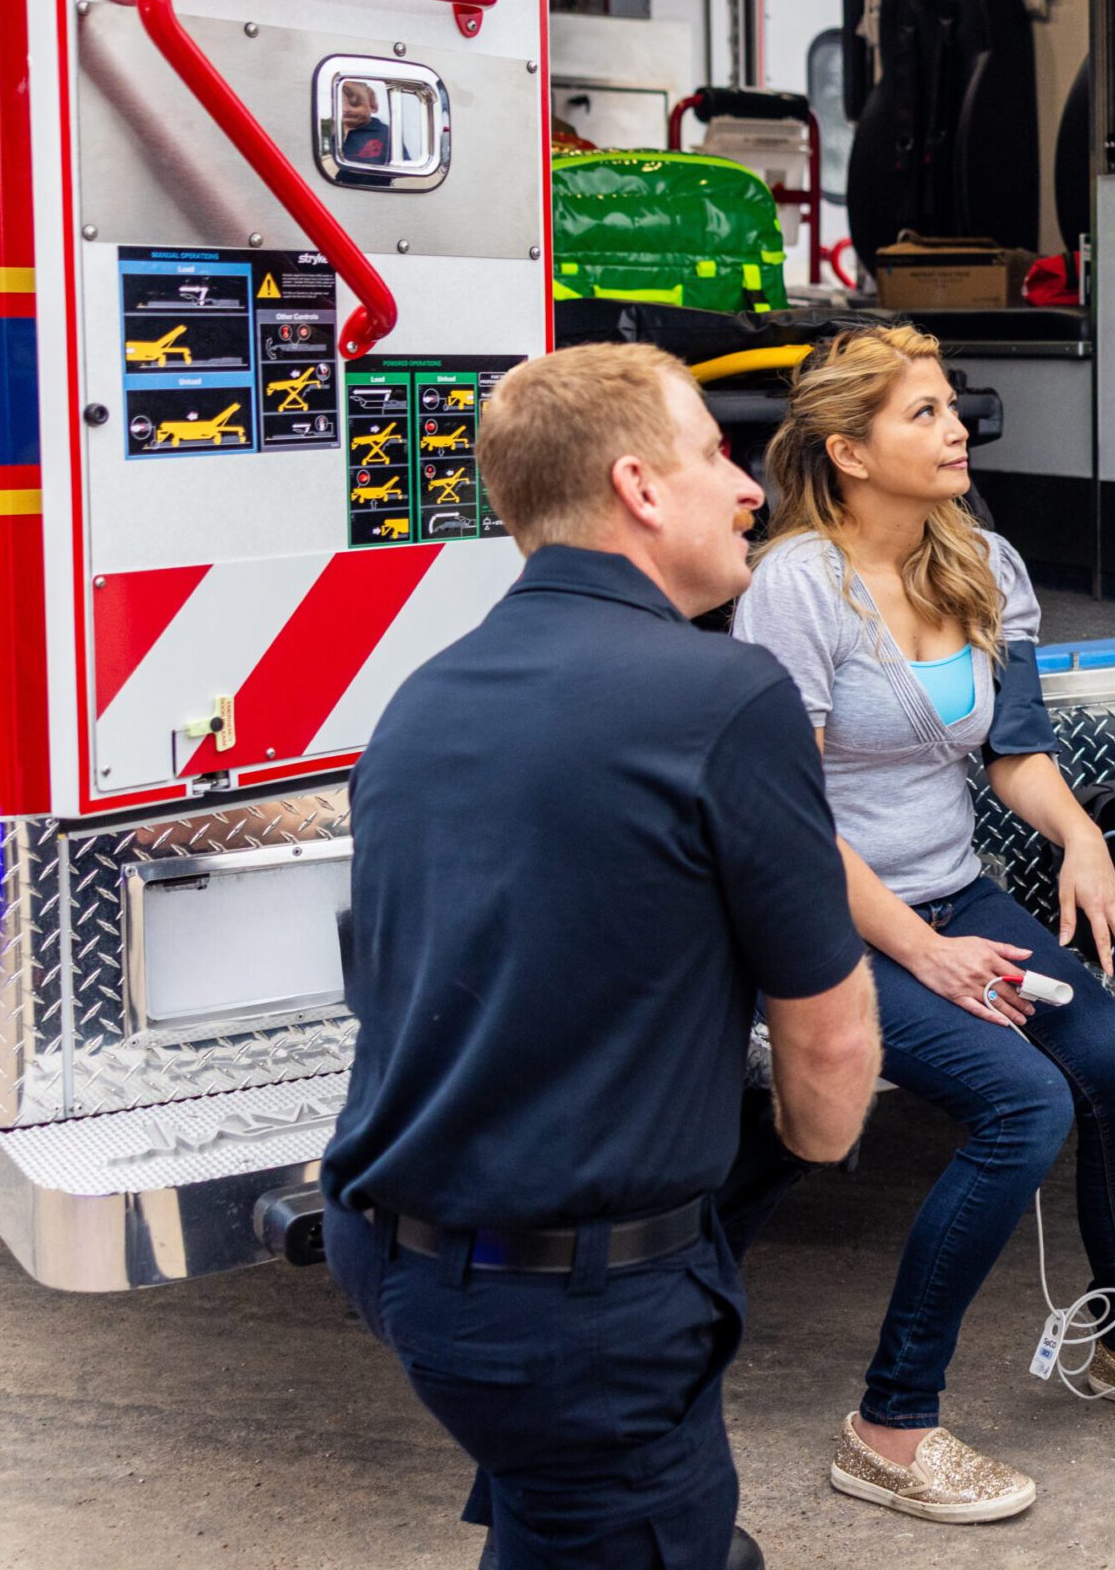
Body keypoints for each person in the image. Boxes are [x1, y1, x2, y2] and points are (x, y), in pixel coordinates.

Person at [321, 343, 884, 1570]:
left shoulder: (421, 696)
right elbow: (830, 1049)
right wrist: (798, 1148)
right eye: (715, 456)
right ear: (638, 487)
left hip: (406, 1266)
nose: (747, 488)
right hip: (578, 1314)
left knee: (556, 1523)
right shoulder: (726, 699)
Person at [732, 323, 1115, 1526]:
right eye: (922, 414)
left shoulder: (981, 561)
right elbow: (787, 822)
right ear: (849, 452)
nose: (955, 426)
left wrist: (1074, 838)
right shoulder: (793, 588)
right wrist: (918, 951)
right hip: (828, 917)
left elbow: (1015, 752)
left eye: (951, 407)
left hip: (955, 895)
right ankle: (890, 1425)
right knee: (1023, 1105)